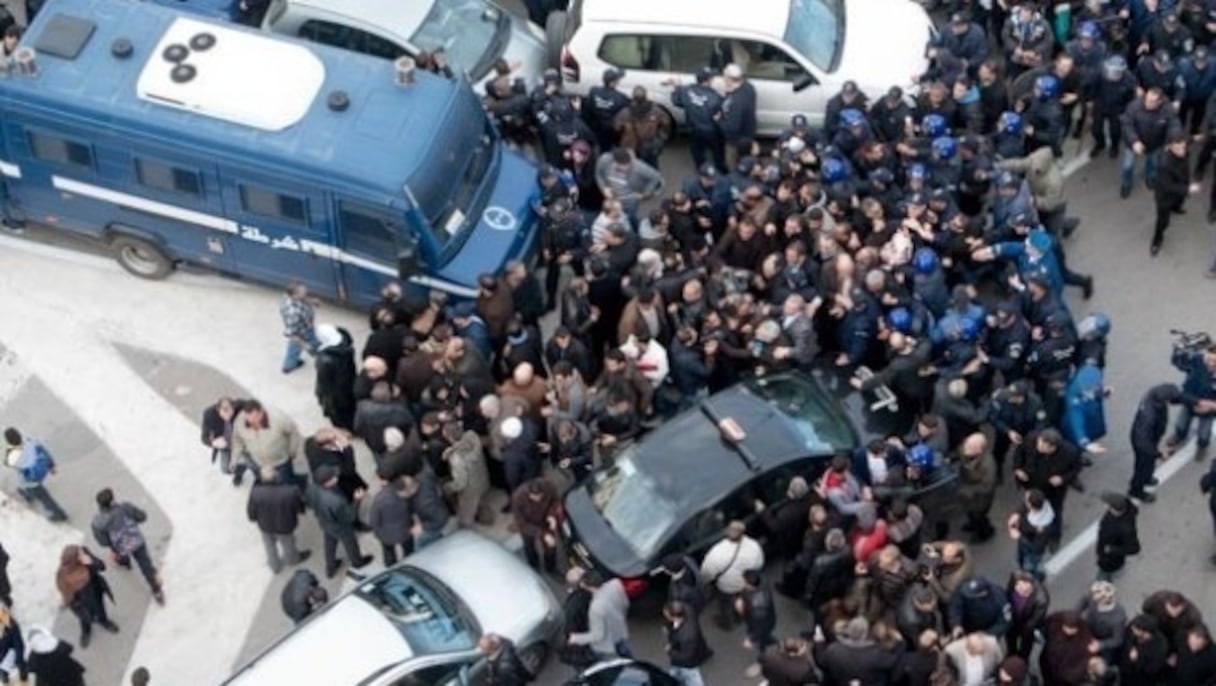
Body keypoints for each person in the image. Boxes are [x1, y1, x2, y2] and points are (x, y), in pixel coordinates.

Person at [1130, 384, 1214, 501]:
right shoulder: (1148, 417)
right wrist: (1159, 454)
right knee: (1142, 467)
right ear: (1163, 401)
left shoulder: (1157, 394)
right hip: (1143, 444)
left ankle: (1147, 478)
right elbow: (1143, 443)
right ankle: (1136, 490)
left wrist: (1198, 402)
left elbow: (1179, 397)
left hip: (1150, 437)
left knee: (1149, 464)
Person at [90, 488, 163, 604]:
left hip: (119, 546)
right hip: (136, 541)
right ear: (112, 499)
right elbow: (142, 517)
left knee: (122, 555)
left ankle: (125, 563)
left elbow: (102, 541)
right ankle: (156, 590)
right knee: (145, 565)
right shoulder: (125, 508)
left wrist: (112, 544)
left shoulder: (97, 522)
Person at [306, 464, 372, 578]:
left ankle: (330, 566)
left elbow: (309, 504)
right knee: (350, 543)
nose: (336, 477)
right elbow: (350, 516)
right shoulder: (335, 501)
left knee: (330, 542)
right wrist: (357, 500)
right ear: (327, 483)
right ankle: (358, 563)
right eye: (333, 477)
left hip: (324, 521)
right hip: (340, 526)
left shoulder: (311, 488)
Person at [700, 521, 765, 630]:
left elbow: (707, 573)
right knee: (743, 601)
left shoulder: (717, 552)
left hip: (727, 587)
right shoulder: (754, 546)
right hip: (745, 585)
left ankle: (726, 623)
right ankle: (739, 617)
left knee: (725, 605)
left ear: (726, 532)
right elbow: (759, 564)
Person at [246, 466, 311, 573]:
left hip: (265, 525)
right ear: (277, 477)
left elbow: (251, 513)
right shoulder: (291, 491)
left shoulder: (255, 492)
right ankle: (292, 559)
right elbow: (299, 507)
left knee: (269, 545)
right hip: (285, 525)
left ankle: (274, 566)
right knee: (288, 543)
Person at [229, 399, 304, 487]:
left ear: (261, 412)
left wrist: (292, 451)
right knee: (269, 485)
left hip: (281, 462)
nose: (252, 421)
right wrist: (234, 460)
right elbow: (237, 441)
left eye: (255, 417)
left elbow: (293, 432)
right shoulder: (239, 421)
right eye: (248, 418)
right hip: (260, 463)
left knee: (286, 483)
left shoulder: (278, 418)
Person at [55, 545, 117, 649]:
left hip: (95, 589)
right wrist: (73, 604)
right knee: (84, 617)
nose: (82, 555)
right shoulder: (63, 574)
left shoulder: (85, 556)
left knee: (100, 608)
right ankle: (86, 632)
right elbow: (65, 591)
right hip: (81, 599)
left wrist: (90, 562)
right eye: (79, 555)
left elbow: (102, 566)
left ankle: (104, 621)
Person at [2, 427, 68, 522]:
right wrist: (51, 466)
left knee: (44, 498)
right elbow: (43, 451)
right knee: (36, 491)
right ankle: (27, 495)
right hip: (41, 470)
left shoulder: (12, 454)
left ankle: (60, 514)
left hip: (30, 480)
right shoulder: (30, 441)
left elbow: (10, 464)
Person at [1152, 131, 1199, 256]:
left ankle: (1176, 208)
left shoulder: (1181, 146)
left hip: (1180, 187)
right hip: (1165, 196)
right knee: (1163, 221)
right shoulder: (1164, 164)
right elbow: (1168, 186)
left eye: (1183, 147)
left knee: (1179, 201)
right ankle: (1157, 239)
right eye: (1178, 148)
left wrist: (1194, 137)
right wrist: (1188, 189)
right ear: (1169, 146)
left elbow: (1187, 140)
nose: (1182, 151)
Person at [568, 572, 631, 659]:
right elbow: (625, 603)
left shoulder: (595, 607)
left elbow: (597, 635)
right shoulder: (616, 583)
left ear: (588, 586)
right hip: (619, 627)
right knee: (624, 649)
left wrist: (576, 638)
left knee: (604, 658)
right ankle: (631, 662)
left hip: (608, 638)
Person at [1169, 344, 1216, 456]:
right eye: (1209, 360)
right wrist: (1177, 352)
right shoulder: (1197, 359)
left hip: (1208, 410)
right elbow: (1179, 364)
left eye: (1215, 362)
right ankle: (1179, 436)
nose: (1211, 364)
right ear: (1205, 354)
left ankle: (1201, 447)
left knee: (1204, 435)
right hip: (1189, 401)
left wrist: (1212, 406)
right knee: (1181, 424)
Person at [511, 477, 560, 575]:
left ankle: (551, 569)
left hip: (545, 520)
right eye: (534, 497)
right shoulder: (518, 497)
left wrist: (551, 515)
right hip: (528, 525)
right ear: (529, 493)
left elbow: (555, 501)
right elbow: (522, 524)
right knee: (530, 548)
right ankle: (534, 567)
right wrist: (543, 534)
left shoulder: (548, 486)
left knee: (551, 546)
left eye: (540, 496)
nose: (538, 499)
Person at [313, 323, 357, 430]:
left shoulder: (325, 359)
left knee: (339, 414)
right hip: (349, 382)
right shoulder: (346, 344)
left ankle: (347, 428)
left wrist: (320, 396)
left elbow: (324, 382)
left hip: (335, 393)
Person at [736, 569, 777, 678]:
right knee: (767, 637)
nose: (742, 582)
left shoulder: (758, 607)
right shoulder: (762, 584)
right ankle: (775, 645)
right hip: (768, 620)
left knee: (762, 642)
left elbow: (759, 626)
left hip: (762, 625)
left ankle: (764, 661)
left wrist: (751, 639)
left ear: (749, 584)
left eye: (743, 581)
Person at [663, 600, 711, 686]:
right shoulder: (687, 609)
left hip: (687, 663)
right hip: (680, 659)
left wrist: (669, 650)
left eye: (667, 615)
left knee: (692, 678)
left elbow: (685, 656)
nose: (665, 615)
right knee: (677, 671)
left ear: (675, 617)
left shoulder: (686, 636)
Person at [719, 63, 757, 169]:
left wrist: (719, 121)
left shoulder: (736, 103)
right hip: (748, 134)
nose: (723, 79)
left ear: (730, 79)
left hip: (735, 141)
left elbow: (732, 128)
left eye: (724, 76)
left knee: (732, 163)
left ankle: (735, 179)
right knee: (745, 158)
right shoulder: (748, 87)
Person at [1095, 492, 1139, 580]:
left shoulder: (1125, 529)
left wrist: (1112, 549)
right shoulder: (1125, 508)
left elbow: (1134, 548)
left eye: (1107, 504)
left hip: (1110, 558)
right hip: (1107, 548)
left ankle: (1103, 586)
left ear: (1113, 508)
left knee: (1103, 576)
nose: (1105, 505)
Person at [200, 397, 247, 477]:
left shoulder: (241, 406)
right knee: (225, 469)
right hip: (225, 445)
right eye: (224, 413)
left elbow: (255, 407)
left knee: (247, 462)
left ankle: (240, 471)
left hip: (239, 442)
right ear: (218, 410)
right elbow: (204, 438)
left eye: (230, 412)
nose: (227, 416)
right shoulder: (209, 414)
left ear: (233, 408)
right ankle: (236, 470)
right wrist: (213, 442)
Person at [279, 281, 320, 374]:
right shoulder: (293, 313)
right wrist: (306, 346)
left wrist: (311, 302)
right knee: (309, 344)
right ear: (294, 296)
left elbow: (302, 299)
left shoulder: (288, 296)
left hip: (304, 326)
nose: (306, 293)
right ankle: (320, 355)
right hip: (302, 331)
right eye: (303, 293)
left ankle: (289, 365)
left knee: (293, 349)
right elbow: (292, 335)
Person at [0, 603, 26, 686]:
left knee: (21, 665)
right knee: (3, 672)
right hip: (2, 655)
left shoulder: (11, 624)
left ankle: (23, 678)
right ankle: (5, 680)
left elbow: (18, 643)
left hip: (13, 651)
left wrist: (19, 658)